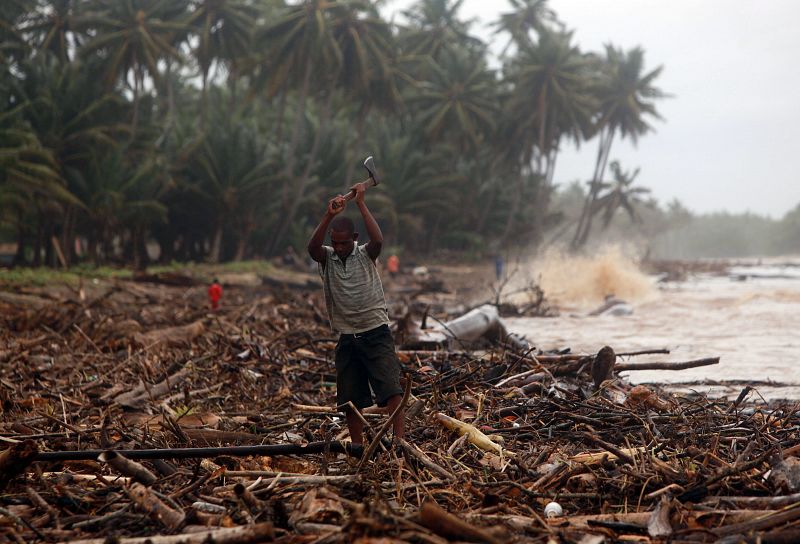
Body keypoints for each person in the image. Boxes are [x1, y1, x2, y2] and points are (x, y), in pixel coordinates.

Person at [307, 182, 405, 452]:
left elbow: (379, 240)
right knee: (351, 397)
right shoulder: (327, 258)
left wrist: (361, 202)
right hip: (348, 335)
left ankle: (399, 441)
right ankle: (358, 445)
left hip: (375, 330)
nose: (338, 248)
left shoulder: (365, 254)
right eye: (334, 243)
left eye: (343, 243)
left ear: (354, 238)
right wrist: (329, 215)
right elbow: (312, 248)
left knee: (391, 389)